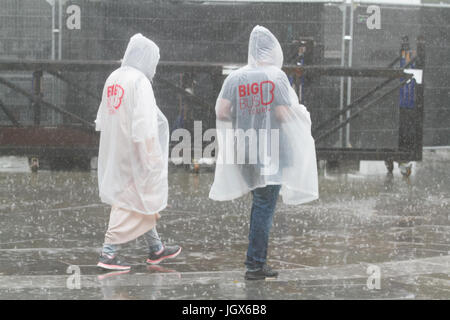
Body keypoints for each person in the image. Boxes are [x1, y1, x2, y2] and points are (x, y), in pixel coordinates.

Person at [209, 26, 318, 280]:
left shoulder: (235, 78)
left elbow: (222, 112)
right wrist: (299, 114)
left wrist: (247, 117)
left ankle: (256, 261)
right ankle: (255, 264)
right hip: (272, 149)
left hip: (245, 148)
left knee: (260, 202)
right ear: (272, 51)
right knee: (264, 206)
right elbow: (282, 114)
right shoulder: (276, 77)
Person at [95, 34, 181, 271]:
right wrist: (148, 156)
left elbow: (101, 118)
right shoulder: (139, 81)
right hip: (135, 149)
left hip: (115, 147)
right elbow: (145, 122)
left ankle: (156, 248)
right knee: (128, 200)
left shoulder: (114, 77)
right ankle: (108, 254)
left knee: (138, 198)